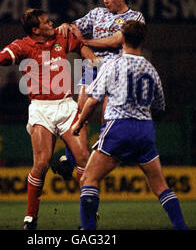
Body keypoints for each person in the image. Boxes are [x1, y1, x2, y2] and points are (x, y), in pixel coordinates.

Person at [0, 8, 99, 230]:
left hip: (66, 105)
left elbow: (82, 45)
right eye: (46, 23)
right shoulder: (22, 46)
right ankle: (30, 218)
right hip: (41, 109)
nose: (51, 24)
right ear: (35, 30)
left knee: (84, 158)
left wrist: (92, 60)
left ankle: (89, 218)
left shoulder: (61, 36)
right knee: (41, 162)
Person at [71, 21, 187, 230]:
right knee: (160, 186)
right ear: (142, 40)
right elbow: (160, 104)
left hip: (119, 128)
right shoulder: (151, 69)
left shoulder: (113, 64)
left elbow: (93, 100)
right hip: (145, 130)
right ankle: (181, 228)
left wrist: (79, 123)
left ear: (122, 40)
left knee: (89, 178)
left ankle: (88, 233)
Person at [53, 0, 146, 180]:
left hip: (117, 71)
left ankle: (99, 159)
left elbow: (116, 41)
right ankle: (71, 159)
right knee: (79, 114)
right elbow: (74, 28)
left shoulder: (135, 18)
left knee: (108, 120)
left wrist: (85, 40)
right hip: (93, 68)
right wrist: (66, 26)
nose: (105, 0)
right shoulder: (96, 14)